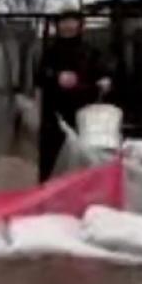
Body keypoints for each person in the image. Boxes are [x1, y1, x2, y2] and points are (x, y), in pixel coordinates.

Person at [36, 9, 112, 182]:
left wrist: (105, 81)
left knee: (82, 164)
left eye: (72, 21)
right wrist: (57, 77)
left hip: (83, 117)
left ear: (80, 25)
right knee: (51, 163)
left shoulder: (91, 52)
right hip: (54, 118)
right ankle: (47, 199)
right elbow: (39, 76)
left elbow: (104, 73)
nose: (67, 26)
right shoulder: (50, 52)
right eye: (63, 22)